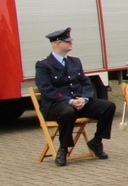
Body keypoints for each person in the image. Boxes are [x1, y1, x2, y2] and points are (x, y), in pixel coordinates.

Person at [34, 27, 116, 167]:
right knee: (67, 112)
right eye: (67, 41)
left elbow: (85, 83)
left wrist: (84, 99)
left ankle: (96, 141)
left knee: (108, 106)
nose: (71, 43)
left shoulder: (75, 61)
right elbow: (47, 90)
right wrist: (70, 101)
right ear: (57, 43)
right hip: (56, 105)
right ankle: (63, 148)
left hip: (78, 103)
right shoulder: (44, 65)